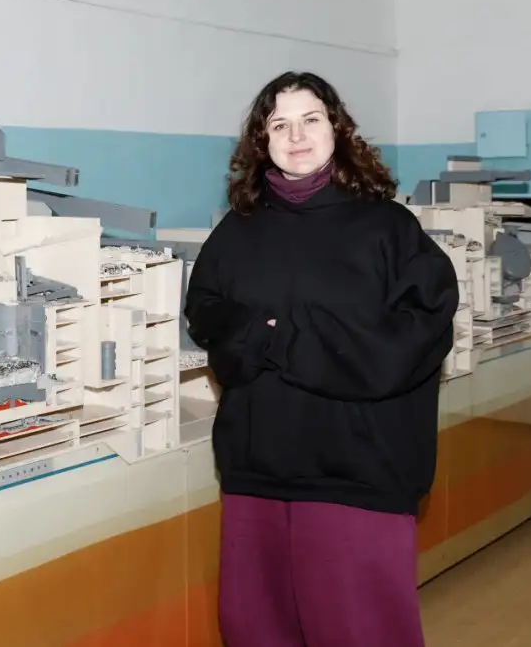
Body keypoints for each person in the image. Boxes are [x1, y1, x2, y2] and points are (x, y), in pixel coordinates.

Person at [184, 70, 460, 647]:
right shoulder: (239, 231)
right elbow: (206, 311)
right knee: (257, 626)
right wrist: (263, 334)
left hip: (356, 471)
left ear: (338, 128)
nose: (296, 135)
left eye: (311, 119)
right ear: (263, 140)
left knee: (359, 630)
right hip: (257, 467)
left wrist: (290, 340)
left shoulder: (387, 227)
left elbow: (419, 333)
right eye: (278, 124)